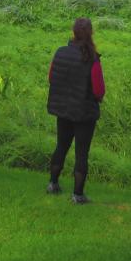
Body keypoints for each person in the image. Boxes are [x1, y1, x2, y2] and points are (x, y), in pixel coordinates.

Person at [46, 17, 105, 204]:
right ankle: (78, 195)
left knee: (61, 146)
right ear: (91, 33)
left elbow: (51, 78)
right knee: (81, 153)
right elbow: (99, 91)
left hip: (63, 109)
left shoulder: (60, 52)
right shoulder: (92, 59)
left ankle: (52, 184)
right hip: (84, 113)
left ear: (73, 32)